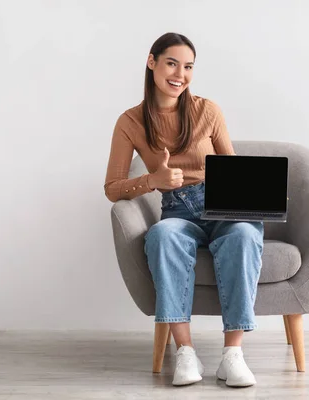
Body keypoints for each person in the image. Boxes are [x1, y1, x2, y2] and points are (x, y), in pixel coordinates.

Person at [104, 32, 264, 387]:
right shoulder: (130, 122)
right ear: (152, 63)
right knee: (162, 235)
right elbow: (112, 188)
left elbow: (232, 170)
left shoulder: (207, 110)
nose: (180, 74)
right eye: (172, 63)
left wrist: (260, 198)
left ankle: (232, 355)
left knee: (243, 234)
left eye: (188, 66)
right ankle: (185, 353)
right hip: (178, 211)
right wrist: (153, 180)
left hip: (223, 207)